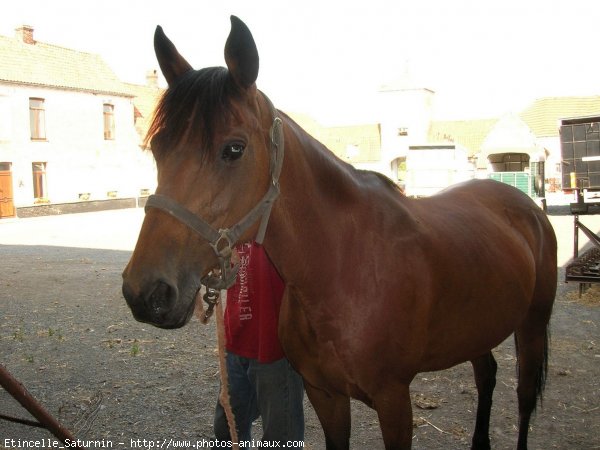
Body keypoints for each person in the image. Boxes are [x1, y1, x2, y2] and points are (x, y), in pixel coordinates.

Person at [213, 241, 304, 448]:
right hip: (234, 341)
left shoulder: (283, 213)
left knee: (281, 438)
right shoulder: (234, 220)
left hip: (276, 349)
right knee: (226, 430)